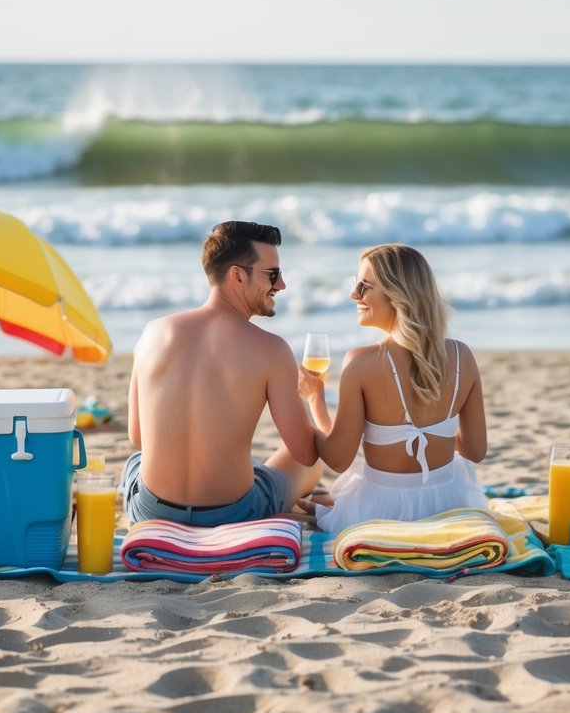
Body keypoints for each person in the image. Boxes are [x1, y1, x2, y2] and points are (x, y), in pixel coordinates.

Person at [122, 220, 323, 526]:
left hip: (152, 512)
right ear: (238, 275)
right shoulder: (271, 349)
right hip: (232, 513)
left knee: (135, 463)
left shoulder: (152, 333)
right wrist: (315, 397)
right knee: (309, 464)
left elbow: (137, 437)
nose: (281, 285)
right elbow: (305, 453)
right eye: (273, 274)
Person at [301, 244, 489, 533]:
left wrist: (315, 398)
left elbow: (338, 458)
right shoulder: (462, 356)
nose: (354, 294)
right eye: (356, 285)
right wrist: (433, 427)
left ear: (397, 295)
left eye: (364, 286)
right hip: (450, 505)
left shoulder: (361, 362)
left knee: (323, 499)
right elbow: (475, 451)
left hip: (379, 513)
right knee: (333, 497)